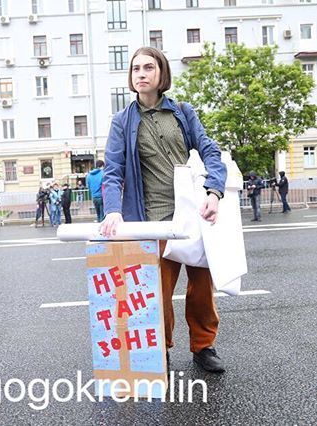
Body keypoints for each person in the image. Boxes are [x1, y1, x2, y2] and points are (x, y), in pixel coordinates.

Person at [99, 47, 227, 373]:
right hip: (152, 222)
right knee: (156, 294)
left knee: (201, 290)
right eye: (136, 69)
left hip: (192, 217)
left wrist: (214, 191)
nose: (141, 73)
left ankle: (203, 346)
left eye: (148, 67)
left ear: (161, 73)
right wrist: (113, 211)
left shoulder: (183, 112)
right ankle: (161, 349)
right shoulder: (122, 122)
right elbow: (112, 171)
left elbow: (210, 150)